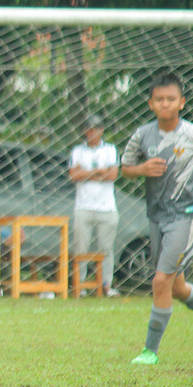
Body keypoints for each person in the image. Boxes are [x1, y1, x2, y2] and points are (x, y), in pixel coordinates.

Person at [120, 71, 193, 365]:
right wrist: (142, 169)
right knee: (177, 287)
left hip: (184, 216)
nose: (165, 104)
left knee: (160, 282)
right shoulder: (142, 135)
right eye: (159, 99)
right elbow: (124, 168)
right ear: (150, 103)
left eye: (171, 99)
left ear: (182, 102)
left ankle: (150, 352)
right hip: (156, 216)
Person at [68, 114, 120, 297]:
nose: (92, 132)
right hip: (83, 207)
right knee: (80, 248)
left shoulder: (110, 150)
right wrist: (99, 172)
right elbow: (74, 176)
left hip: (107, 207)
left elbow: (112, 175)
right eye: (89, 128)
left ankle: (106, 285)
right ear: (84, 130)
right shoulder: (77, 151)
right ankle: (80, 285)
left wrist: (86, 173)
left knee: (106, 249)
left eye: (95, 128)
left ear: (102, 130)